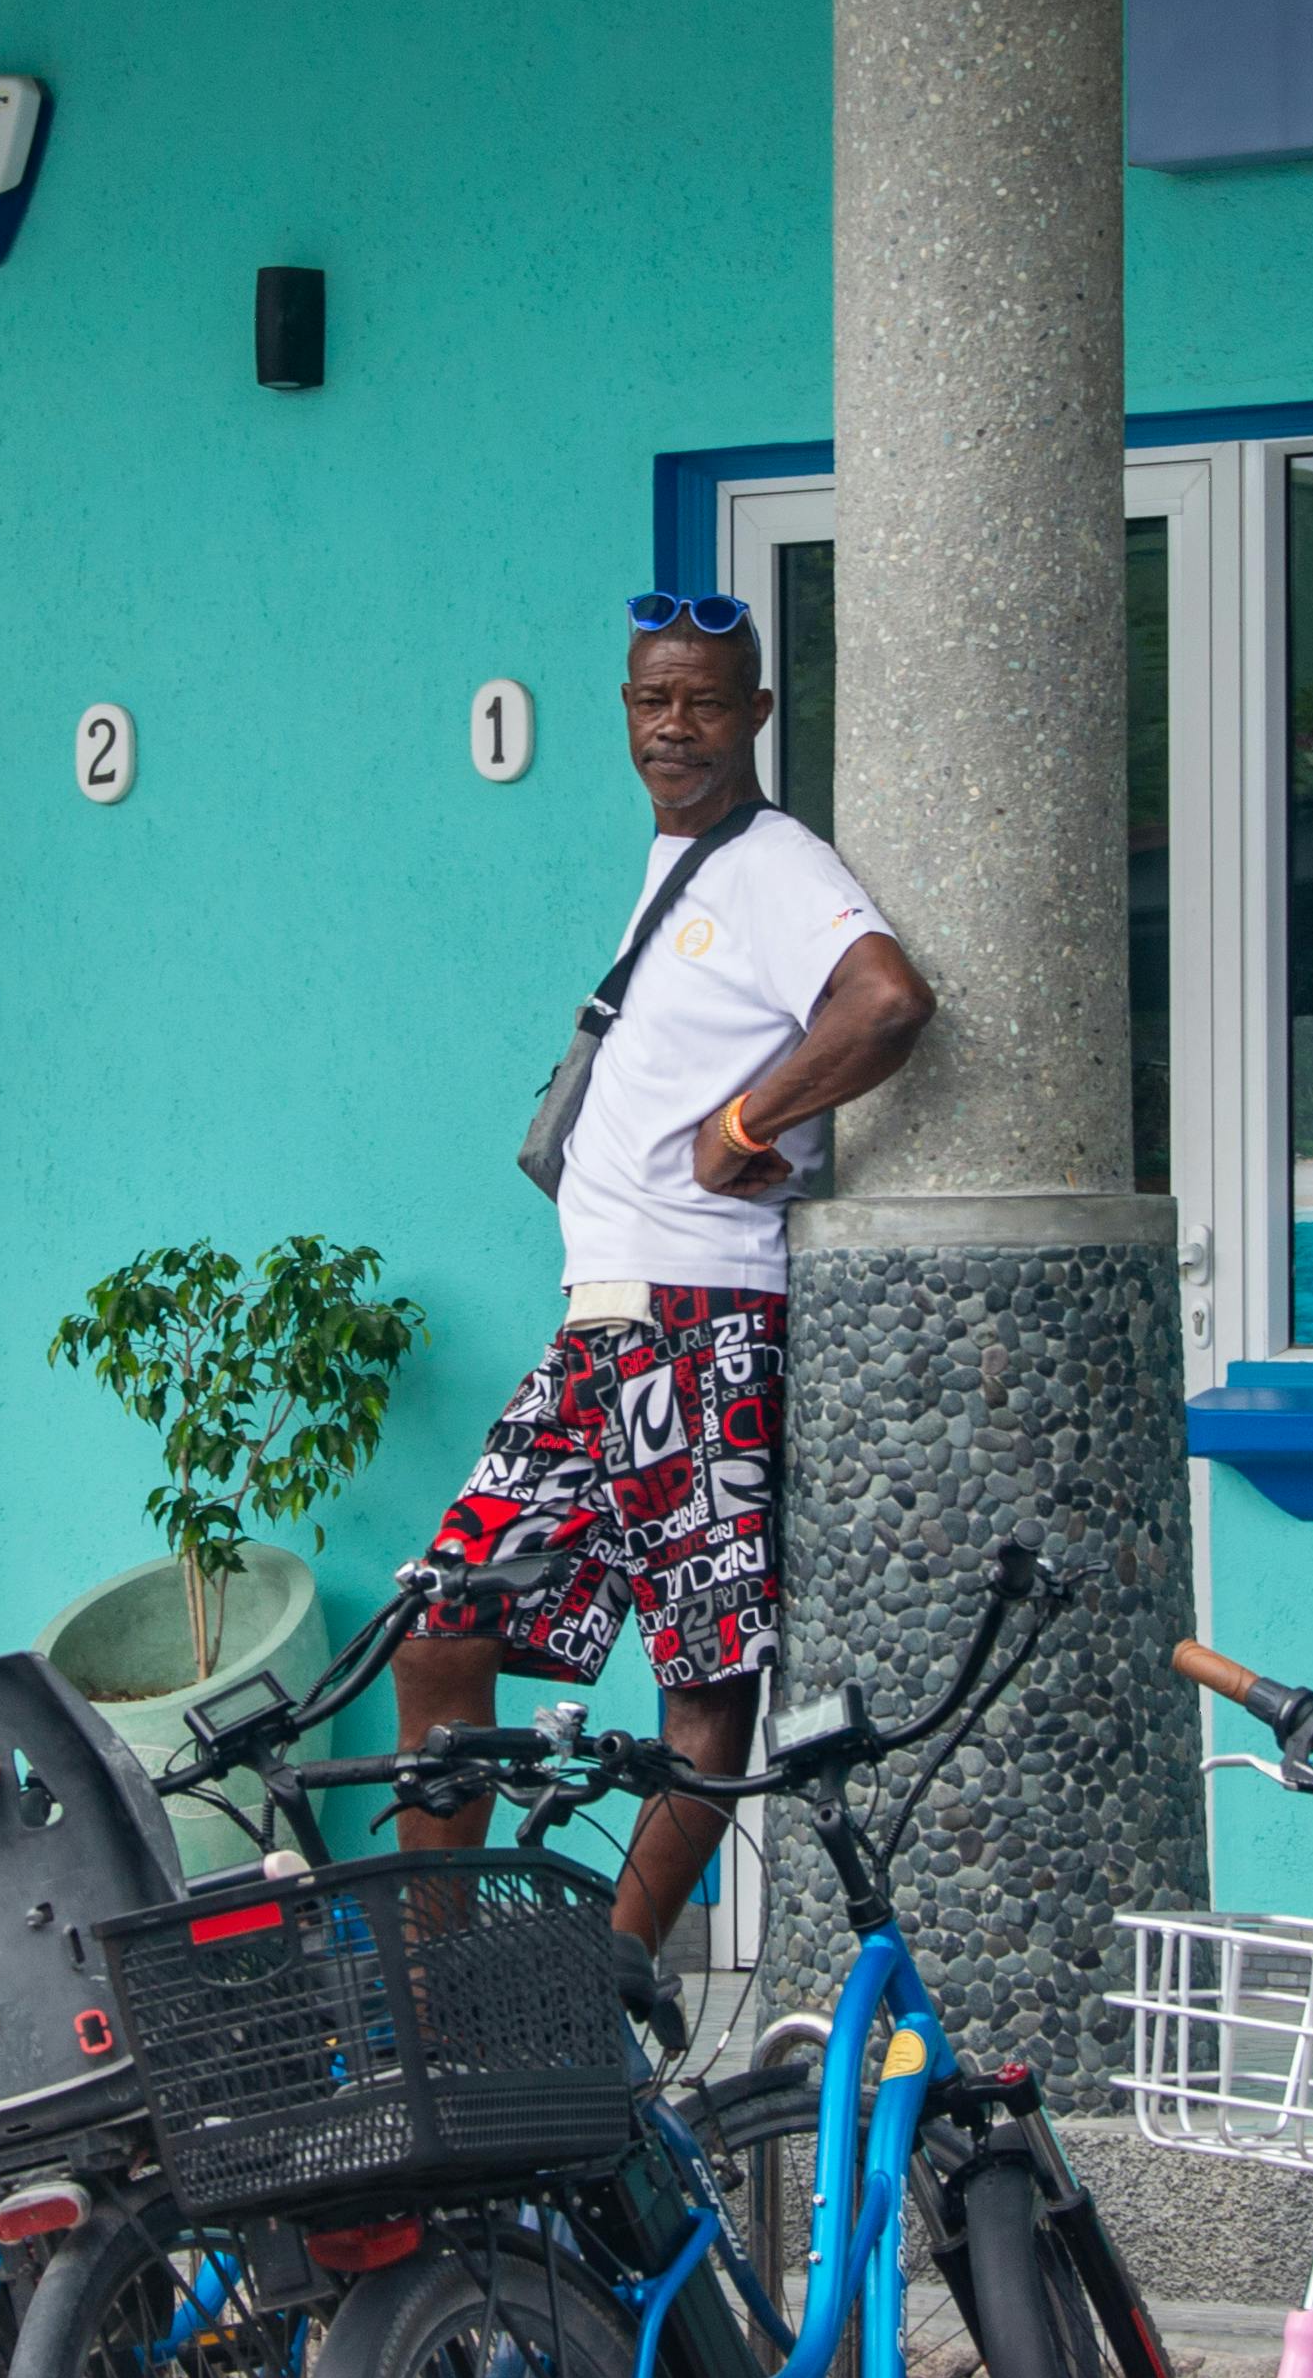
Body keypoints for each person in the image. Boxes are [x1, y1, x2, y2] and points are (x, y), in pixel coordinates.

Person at [398, 592, 931, 1959]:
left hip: (698, 1321)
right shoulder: (683, 863)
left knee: (702, 1677)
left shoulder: (770, 862)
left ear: (756, 714)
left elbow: (883, 1001)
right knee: (442, 1620)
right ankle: (446, 1979)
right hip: (608, 1327)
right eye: (652, 701)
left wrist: (747, 1124)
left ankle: (610, 1983)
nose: (674, 728)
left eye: (704, 701)